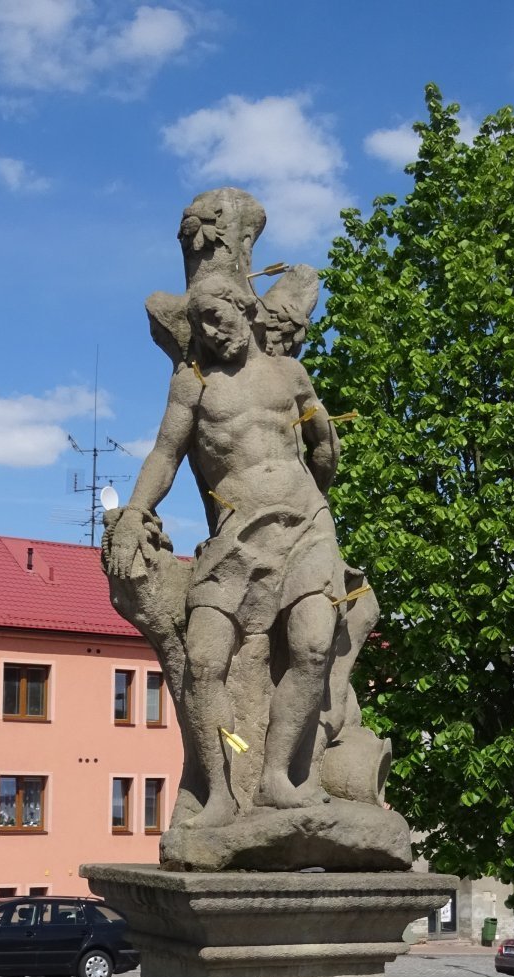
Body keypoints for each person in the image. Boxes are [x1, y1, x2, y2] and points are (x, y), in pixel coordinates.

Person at [106, 273, 345, 826]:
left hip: (306, 528)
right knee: (206, 661)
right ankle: (220, 791)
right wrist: (136, 513)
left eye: (219, 316)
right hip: (235, 541)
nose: (212, 332)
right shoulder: (194, 385)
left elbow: (324, 446)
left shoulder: (290, 374)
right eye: (202, 325)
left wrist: (317, 501)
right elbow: (165, 456)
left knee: (311, 647)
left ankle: (278, 778)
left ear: (245, 308)